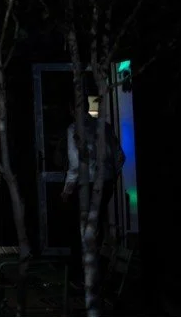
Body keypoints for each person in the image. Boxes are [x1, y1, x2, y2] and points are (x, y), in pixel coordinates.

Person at [62, 113, 125, 284]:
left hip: (86, 184)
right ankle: (98, 273)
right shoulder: (105, 126)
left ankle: (82, 276)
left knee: (82, 230)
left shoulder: (74, 129)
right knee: (96, 227)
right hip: (105, 182)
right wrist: (112, 177)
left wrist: (67, 190)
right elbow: (120, 156)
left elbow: (75, 164)